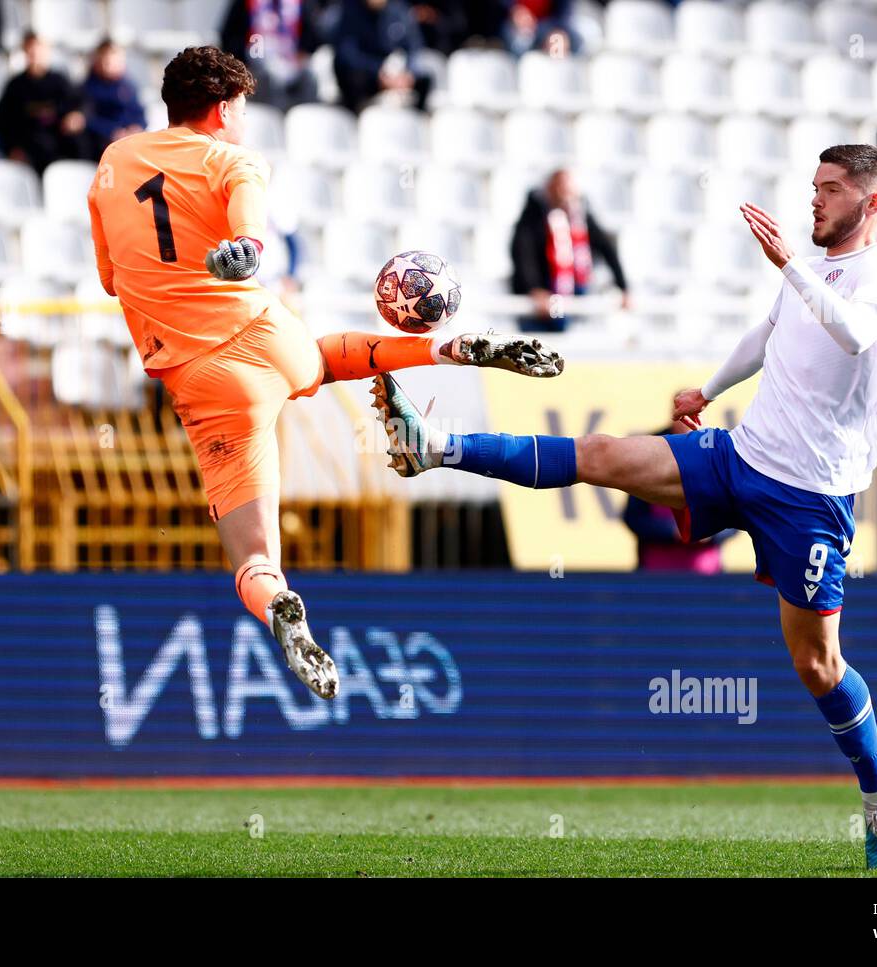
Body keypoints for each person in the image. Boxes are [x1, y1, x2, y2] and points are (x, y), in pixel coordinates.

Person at [373, 144, 877, 869]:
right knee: (600, 455)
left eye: (832, 189)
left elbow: (852, 331)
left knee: (816, 663)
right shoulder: (807, 272)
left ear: (871, 203)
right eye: (813, 186)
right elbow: (770, 332)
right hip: (741, 455)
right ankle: (434, 445)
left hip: (812, 497)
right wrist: (709, 389)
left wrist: (787, 263)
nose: (815, 199)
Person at [87, 46, 562, 700]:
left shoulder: (114, 162)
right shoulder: (235, 158)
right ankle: (444, 350)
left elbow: (111, 279)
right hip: (265, 331)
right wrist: (247, 251)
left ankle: (280, 600)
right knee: (323, 359)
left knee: (253, 556)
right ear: (225, 109)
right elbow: (248, 221)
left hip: (203, 381)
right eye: (244, 109)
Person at [510, 169, 629, 333]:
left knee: (570, 328)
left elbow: (606, 248)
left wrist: (623, 287)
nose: (564, 194)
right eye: (559, 188)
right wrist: (534, 289)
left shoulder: (580, 217)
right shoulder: (533, 219)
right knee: (549, 335)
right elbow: (523, 254)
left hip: (573, 290)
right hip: (546, 292)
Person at [623, 421, 735, 573]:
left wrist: (710, 533)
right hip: (656, 574)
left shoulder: (717, 451)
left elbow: (735, 518)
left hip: (707, 574)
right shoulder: (648, 453)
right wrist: (673, 532)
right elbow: (634, 517)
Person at [0, 32, 88, 173]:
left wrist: (78, 115)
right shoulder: (16, 86)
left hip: (57, 141)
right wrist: (12, 148)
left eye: (39, 49)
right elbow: (1, 122)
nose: (35, 54)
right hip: (30, 145)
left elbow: (80, 103)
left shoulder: (59, 81)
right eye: (31, 49)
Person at [220, 0, 324, 111]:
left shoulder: (300, 3)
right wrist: (243, 62)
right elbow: (228, 37)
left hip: (292, 61)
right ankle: (273, 122)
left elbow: (313, 38)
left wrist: (302, 53)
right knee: (269, 78)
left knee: (310, 77)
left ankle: (304, 121)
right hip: (257, 59)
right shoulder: (246, 3)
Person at [333, 0, 433, 113]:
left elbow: (414, 46)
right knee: (355, 78)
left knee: (424, 79)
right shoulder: (349, 11)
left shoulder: (399, 9)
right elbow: (348, 54)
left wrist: (408, 74)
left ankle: (416, 122)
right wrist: (379, 73)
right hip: (368, 75)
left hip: (396, 73)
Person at [81, 39, 147, 159]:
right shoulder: (89, 88)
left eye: (114, 59)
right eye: (105, 60)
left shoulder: (129, 86)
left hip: (128, 139)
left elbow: (140, 113)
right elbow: (88, 119)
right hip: (102, 142)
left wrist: (137, 127)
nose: (109, 64)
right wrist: (113, 131)